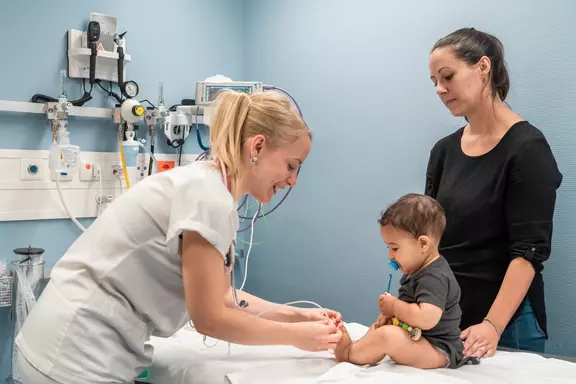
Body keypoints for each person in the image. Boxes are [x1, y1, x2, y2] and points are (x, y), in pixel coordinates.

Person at [14, 90, 342, 384]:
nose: (292, 180)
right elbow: (211, 319)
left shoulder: (208, 188)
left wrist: (296, 315)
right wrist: (295, 336)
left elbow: (222, 297)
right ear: (257, 146)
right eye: (291, 165)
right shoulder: (208, 197)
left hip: (61, 345)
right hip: (74, 355)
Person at [426, 27, 563, 358]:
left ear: (483, 67)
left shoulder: (527, 149)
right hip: (447, 315)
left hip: (505, 325)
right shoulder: (444, 151)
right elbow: (427, 238)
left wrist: (492, 325)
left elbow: (528, 252)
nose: (440, 90)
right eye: (434, 82)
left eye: (447, 77)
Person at [335, 194, 469, 369]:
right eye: (388, 247)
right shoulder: (417, 270)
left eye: (395, 248)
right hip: (419, 339)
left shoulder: (434, 277)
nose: (390, 255)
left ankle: (350, 354)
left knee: (388, 336)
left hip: (438, 350)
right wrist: (391, 315)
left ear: (422, 244)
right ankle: (356, 348)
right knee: (382, 325)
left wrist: (395, 307)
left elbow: (426, 318)